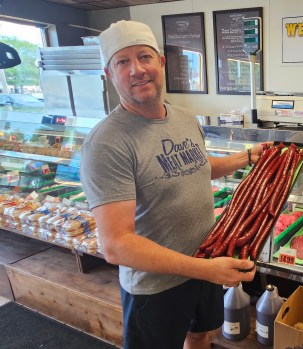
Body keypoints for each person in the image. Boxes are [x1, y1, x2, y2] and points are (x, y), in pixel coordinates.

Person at [80, 20, 261, 349]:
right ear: (110, 74)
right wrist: (205, 270)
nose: (137, 70)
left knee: (200, 334)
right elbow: (116, 245)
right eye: (123, 62)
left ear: (161, 63)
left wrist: (248, 157)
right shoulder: (106, 143)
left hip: (206, 259)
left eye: (145, 57)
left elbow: (197, 168)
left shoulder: (185, 119)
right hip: (155, 284)